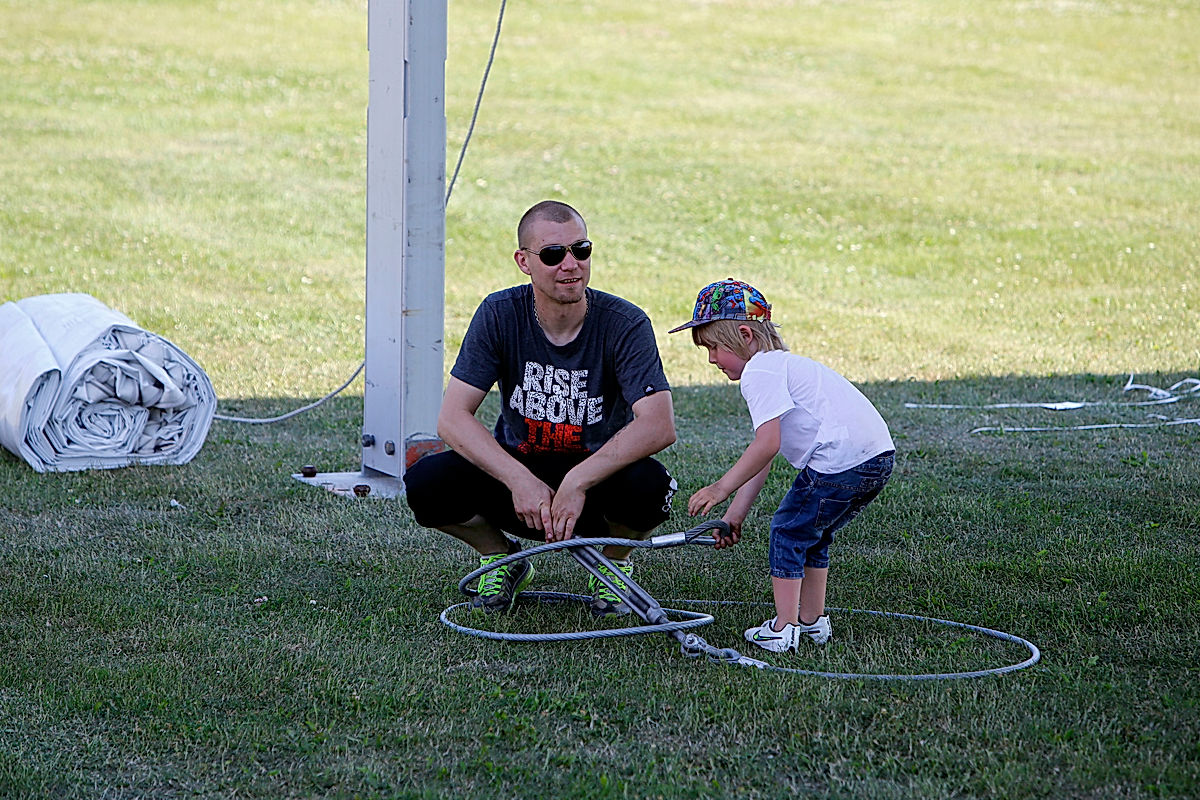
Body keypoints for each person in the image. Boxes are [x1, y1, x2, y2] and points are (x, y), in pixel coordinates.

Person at [403, 200, 678, 616]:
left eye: (581, 250)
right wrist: (519, 479)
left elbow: (659, 425)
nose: (571, 265)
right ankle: (501, 557)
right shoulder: (499, 313)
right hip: (519, 478)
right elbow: (452, 419)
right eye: (552, 254)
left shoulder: (625, 322)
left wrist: (578, 481)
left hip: (598, 480)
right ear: (524, 261)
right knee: (426, 483)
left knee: (650, 487)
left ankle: (613, 565)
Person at [671, 278, 894, 652]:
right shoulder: (782, 366)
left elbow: (766, 444)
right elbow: (764, 454)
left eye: (713, 346)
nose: (710, 359)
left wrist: (719, 488)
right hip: (876, 458)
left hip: (838, 461)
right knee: (813, 535)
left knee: (788, 532)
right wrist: (735, 515)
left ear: (745, 335)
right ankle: (811, 622)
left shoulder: (760, 372)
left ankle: (783, 628)